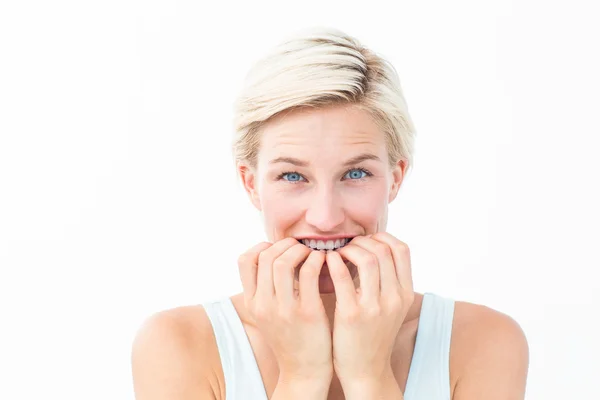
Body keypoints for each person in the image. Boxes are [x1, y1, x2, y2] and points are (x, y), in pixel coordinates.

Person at [131, 27, 529, 400]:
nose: (325, 217)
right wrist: (302, 375)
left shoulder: (484, 341)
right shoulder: (176, 344)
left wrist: (368, 376)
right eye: (292, 175)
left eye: (356, 173)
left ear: (395, 178)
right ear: (251, 183)